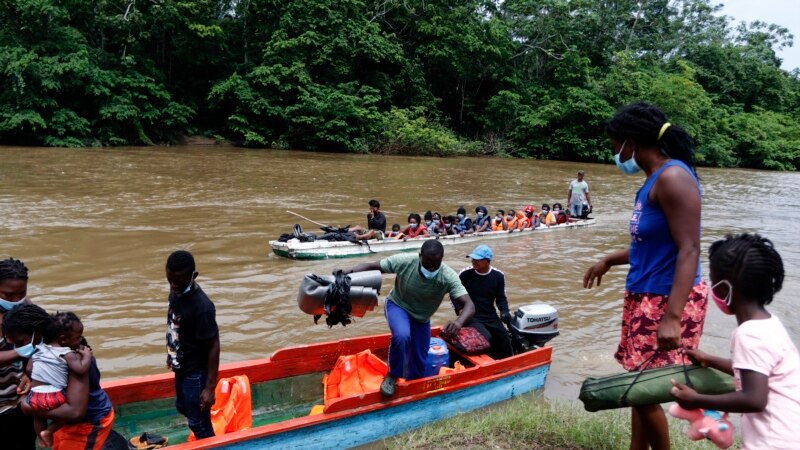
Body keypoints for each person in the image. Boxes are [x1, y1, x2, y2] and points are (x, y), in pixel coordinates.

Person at [583, 102, 706, 450]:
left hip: (667, 300)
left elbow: (690, 249)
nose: (614, 153)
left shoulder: (673, 178)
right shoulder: (653, 181)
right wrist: (610, 259)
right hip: (645, 294)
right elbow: (652, 246)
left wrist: (673, 317)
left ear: (630, 143)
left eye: (614, 145)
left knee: (646, 388)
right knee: (640, 389)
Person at [671, 234, 800, 450]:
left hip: (773, 442)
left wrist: (697, 400)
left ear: (724, 288)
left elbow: (754, 399)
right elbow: (755, 372)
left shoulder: (748, 335)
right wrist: (709, 360)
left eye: (713, 281)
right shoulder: (769, 325)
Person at [345, 240, 475, 397]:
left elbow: (469, 305)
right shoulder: (405, 261)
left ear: (442, 260)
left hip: (422, 318)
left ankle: (414, 387)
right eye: (428, 264)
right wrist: (346, 274)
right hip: (398, 306)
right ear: (420, 256)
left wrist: (458, 322)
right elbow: (371, 266)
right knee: (402, 336)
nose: (432, 269)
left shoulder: (447, 276)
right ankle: (392, 375)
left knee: (419, 357)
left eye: (436, 265)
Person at [6, 304, 114, 450]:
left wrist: (28, 406)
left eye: (20, 343)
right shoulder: (46, 352)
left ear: (37, 334)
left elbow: (75, 412)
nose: (17, 349)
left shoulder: (71, 356)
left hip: (88, 423)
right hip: (64, 418)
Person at [166, 250, 220, 440]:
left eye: (179, 282)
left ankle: (214, 444)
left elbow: (214, 345)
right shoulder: (175, 291)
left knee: (198, 422)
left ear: (193, 276)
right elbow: (175, 325)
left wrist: (210, 387)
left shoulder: (202, 307)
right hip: (181, 366)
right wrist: (171, 354)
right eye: (170, 280)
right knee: (182, 407)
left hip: (195, 372)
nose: (173, 286)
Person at [26, 311, 92, 447]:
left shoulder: (40, 349)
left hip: (34, 396)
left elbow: (29, 369)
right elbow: (80, 369)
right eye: (78, 337)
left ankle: (41, 437)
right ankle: (49, 431)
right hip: (54, 397)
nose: (80, 340)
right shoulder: (66, 353)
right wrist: (87, 356)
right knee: (68, 414)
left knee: (38, 415)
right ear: (63, 339)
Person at [0, 258, 36, 450]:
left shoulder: (24, 306)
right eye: (8, 295)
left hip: (20, 398)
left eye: (21, 293)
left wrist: (29, 370)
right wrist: (21, 351)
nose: (16, 300)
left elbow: (41, 332)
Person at [455, 245, 513, 359]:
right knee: (486, 338)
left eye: (477, 260)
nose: (473, 262)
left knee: (505, 338)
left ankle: (507, 363)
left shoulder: (498, 276)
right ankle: (489, 364)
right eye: (473, 259)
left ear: (487, 262)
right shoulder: (465, 274)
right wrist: (459, 309)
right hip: (471, 316)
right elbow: (454, 293)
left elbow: (501, 298)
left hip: (490, 316)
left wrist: (504, 311)